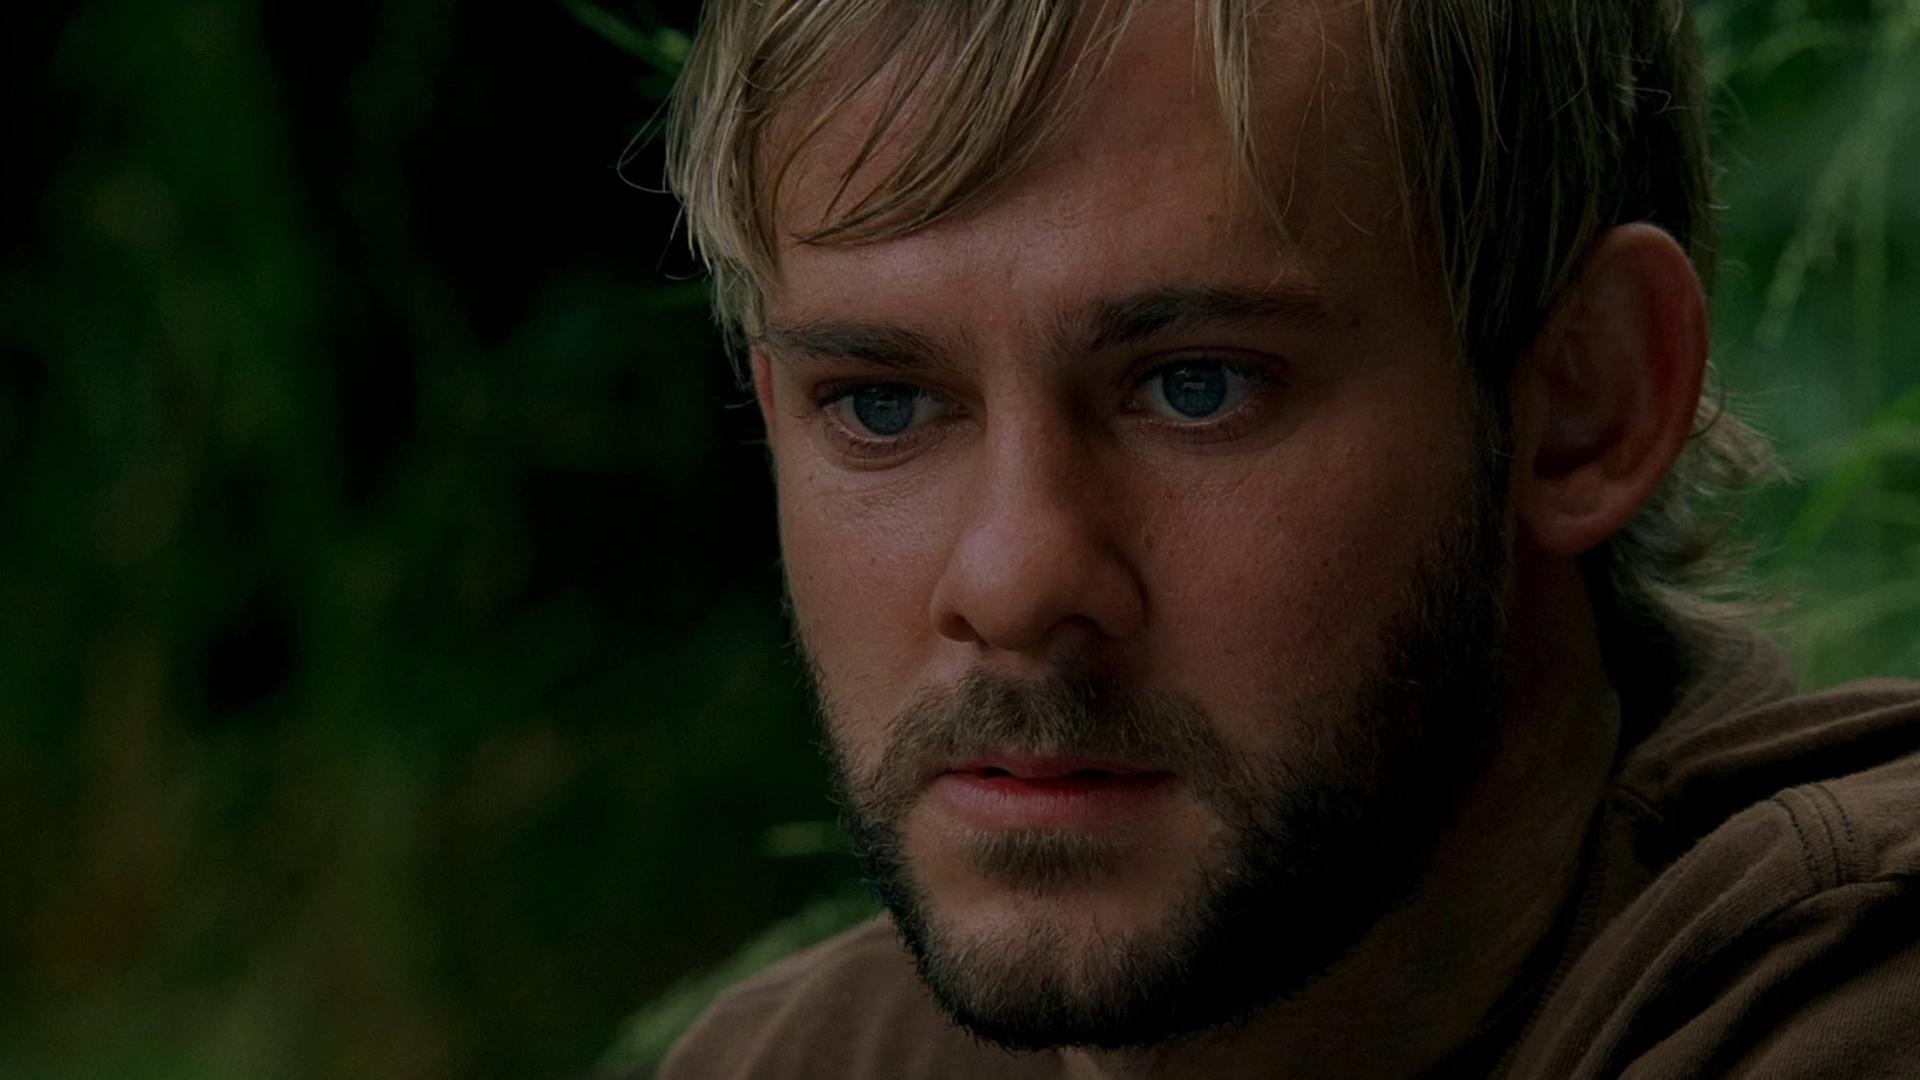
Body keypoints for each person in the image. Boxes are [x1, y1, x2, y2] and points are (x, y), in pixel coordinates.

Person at [652, 0, 1920, 1076]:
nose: (1012, 580)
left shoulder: (1859, 1005)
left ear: (1591, 405)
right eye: (881, 404)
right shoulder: (793, 1056)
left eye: (1197, 386)